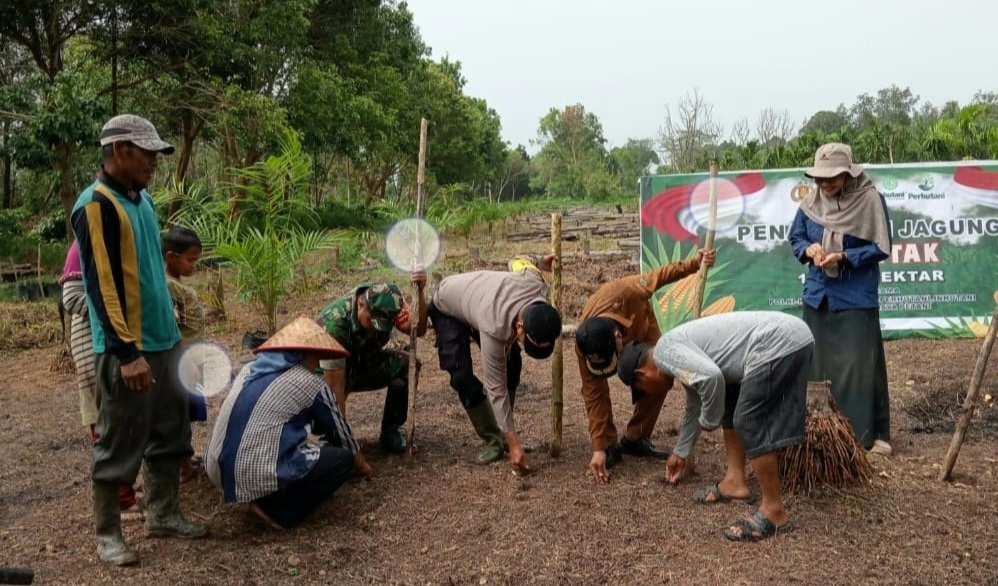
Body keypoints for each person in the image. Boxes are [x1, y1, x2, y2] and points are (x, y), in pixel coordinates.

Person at [72, 114, 206, 566]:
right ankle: (108, 533)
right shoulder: (96, 206)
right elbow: (101, 286)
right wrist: (126, 352)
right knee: (120, 438)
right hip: (127, 348)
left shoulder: (142, 200)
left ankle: (164, 513)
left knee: (171, 431)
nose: (154, 161)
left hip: (165, 340)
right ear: (118, 150)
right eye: (146, 152)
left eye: (156, 153)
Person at [616, 311, 814, 542]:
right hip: (790, 336)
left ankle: (774, 511)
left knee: (748, 418)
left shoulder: (664, 352)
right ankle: (734, 482)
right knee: (731, 401)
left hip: (779, 341)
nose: (649, 394)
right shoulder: (675, 353)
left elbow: (711, 379)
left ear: (641, 374)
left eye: (643, 390)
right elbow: (695, 403)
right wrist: (681, 452)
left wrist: (708, 422)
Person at [204, 315, 371, 529]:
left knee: (306, 445)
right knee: (341, 460)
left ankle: (256, 490)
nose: (317, 364)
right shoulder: (308, 382)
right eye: (316, 357)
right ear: (306, 355)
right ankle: (277, 511)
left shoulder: (248, 370)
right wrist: (362, 465)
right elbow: (342, 434)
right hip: (249, 470)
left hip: (215, 466)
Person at [575, 248, 715, 483]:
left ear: (618, 336)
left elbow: (661, 275)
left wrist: (694, 263)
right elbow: (594, 394)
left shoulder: (627, 291)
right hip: (608, 341)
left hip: (642, 326)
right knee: (598, 394)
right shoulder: (584, 343)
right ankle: (610, 445)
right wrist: (598, 447)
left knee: (660, 378)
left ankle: (636, 438)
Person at [789, 142, 892, 455]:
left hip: (855, 297)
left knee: (859, 366)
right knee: (816, 366)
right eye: (819, 178)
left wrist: (844, 256)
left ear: (848, 173)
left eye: (831, 177)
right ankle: (820, 435)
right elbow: (796, 237)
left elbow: (881, 246)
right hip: (818, 296)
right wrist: (809, 249)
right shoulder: (810, 203)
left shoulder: (869, 200)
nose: (824, 183)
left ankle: (866, 435)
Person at [428, 254, 562, 473]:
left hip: (479, 301)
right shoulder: (495, 326)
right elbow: (496, 388)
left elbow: (518, 260)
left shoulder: (535, 282)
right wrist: (514, 443)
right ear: (520, 326)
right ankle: (495, 439)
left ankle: (504, 433)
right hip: (448, 305)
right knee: (461, 375)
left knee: (513, 364)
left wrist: (540, 261)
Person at [60, 240, 143, 521]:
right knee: (109, 424)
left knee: (123, 421)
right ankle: (119, 500)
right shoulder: (82, 245)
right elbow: (70, 298)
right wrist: (114, 308)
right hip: (93, 346)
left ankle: (124, 489)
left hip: (111, 346)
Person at [316, 273, 427, 454]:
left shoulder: (388, 303)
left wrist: (421, 291)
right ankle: (331, 438)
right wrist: (346, 445)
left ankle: (391, 432)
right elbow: (335, 386)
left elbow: (417, 328)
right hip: (326, 376)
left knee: (406, 363)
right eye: (373, 322)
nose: (377, 328)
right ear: (360, 304)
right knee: (327, 400)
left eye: (382, 324)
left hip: (361, 364)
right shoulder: (335, 325)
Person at [162, 225, 207, 481]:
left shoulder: (175, 283)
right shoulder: (167, 286)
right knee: (178, 416)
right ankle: (181, 466)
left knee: (186, 414)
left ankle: (185, 458)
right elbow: (171, 325)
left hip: (190, 358)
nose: (194, 266)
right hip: (182, 360)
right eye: (190, 260)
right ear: (171, 257)